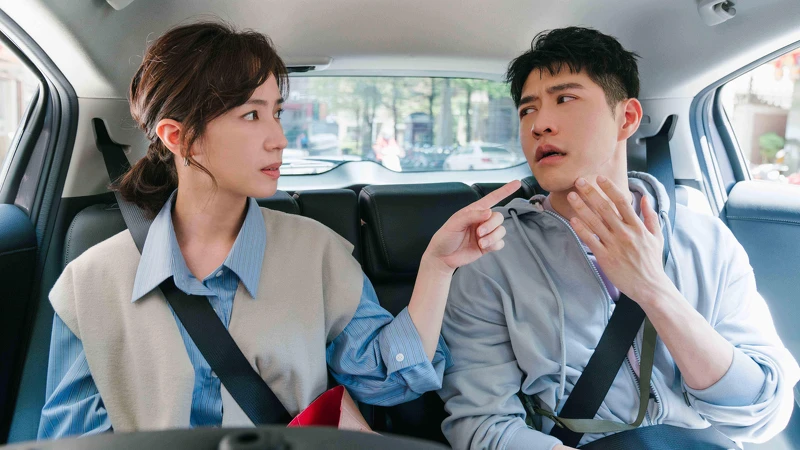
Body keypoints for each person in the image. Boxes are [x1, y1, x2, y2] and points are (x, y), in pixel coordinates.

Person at [37, 21, 519, 439]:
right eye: (251, 114)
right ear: (178, 137)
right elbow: (71, 441)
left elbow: (385, 379)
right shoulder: (90, 284)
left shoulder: (318, 254)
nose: (279, 139)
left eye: (277, 112)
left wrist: (437, 268)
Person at [438, 26, 800, 450]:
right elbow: (482, 425)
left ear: (626, 118)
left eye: (564, 99)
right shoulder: (492, 254)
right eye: (527, 110)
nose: (539, 124)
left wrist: (653, 289)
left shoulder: (705, 239)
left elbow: (762, 414)